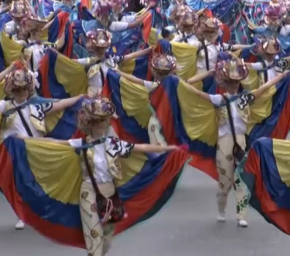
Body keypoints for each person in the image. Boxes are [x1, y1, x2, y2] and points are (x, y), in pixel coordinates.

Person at [25, 96, 184, 256]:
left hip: (109, 193)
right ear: (90, 123)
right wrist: (27, 141)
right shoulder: (81, 144)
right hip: (88, 192)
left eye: (105, 120)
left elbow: (140, 147)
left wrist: (170, 149)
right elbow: (57, 144)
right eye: (99, 121)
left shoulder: (113, 144)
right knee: (94, 237)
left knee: (107, 238)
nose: (103, 124)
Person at [184, 54, 290, 227]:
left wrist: (281, 76)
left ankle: (241, 215)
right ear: (224, 84)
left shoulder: (246, 97)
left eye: (235, 81)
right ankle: (221, 209)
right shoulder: (218, 99)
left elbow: (265, 87)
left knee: (243, 179)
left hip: (242, 142)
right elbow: (190, 87)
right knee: (225, 180)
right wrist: (208, 73)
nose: (233, 84)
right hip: (224, 142)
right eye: (229, 82)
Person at [0, 65, 82, 230]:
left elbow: (59, 104)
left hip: (40, 150)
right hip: (19, 153)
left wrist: (79, 98)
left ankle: (49, 212)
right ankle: (23, 215)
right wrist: (8, 69)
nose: (21, 93)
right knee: (23, 184)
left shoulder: (37, 105)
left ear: (29, 88)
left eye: (24, 89)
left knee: (46, 181)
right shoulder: (4, 107)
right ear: (11, 90)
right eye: (17, 89)